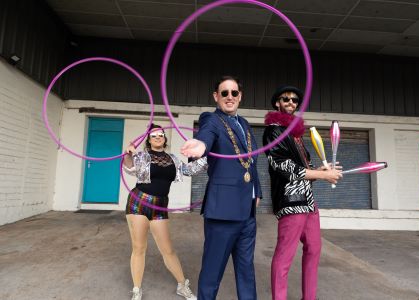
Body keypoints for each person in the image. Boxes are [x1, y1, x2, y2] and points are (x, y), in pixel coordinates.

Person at [180, 76, 262, 300]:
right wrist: (201, 144)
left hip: (248, 213)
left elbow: (251, 161)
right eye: (224, 93)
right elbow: (207, 135)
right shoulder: (211, 120)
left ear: (240, 96)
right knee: (212, 272)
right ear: (216, 96)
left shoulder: (244, 124)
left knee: (247, 272)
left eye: (234, 93)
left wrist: (258, 192)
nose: (229, 97)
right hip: (222, 212)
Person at [262, 86, 342, 300]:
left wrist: (321, 171)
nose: (291, 102)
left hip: (308, 200)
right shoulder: (274, 130)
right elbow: (280, 165)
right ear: (277, 103)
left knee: (314, 248)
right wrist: (322, 175)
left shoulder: (296, 134)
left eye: (295, 100)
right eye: (285, 99)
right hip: (290, 200)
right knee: (285, 254)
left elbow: (304, 165)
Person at [123, 124, 207, 300]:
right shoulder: (141, 156)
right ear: (149, 139)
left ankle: (182, 285)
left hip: (160, 205)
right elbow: (130, 168)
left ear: (165, 138)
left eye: (161, 134)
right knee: (139, 248)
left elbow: (189, 170)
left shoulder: (173, 159)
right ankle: (137, 290)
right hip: (138, 202)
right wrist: (128, 154)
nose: (158, 137)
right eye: (154, 135)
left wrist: (205, 154)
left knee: (168, 249)